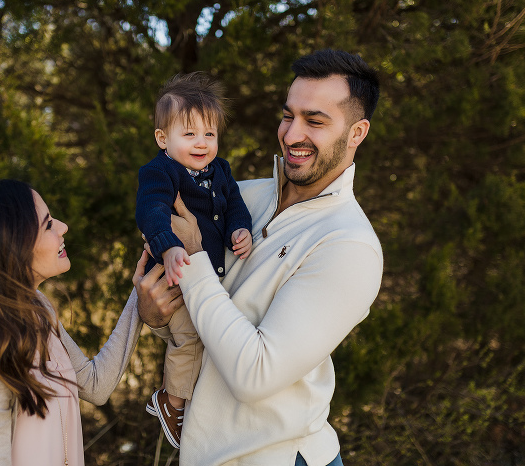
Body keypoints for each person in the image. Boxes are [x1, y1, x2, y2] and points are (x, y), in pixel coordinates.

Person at [136, 49, 384, 466]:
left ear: (357, 132)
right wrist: (157, 317)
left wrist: (195, 258)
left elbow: (255, 376)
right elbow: (202, 326)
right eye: (289, 116)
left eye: (315, 121)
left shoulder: (348, 245)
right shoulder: (242, 196)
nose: (291, 134)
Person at [0, 179, 179, 466]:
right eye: (47, 225)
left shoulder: (36, 309)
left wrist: (142, 294)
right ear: (10, 246)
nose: (62, 227)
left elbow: (95, 385)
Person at [135, 72, 253, 448]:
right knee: (190, 338)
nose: (201, 143)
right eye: (189, 135)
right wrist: (169, 244)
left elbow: (234, 202)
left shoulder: (221, 170)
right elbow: (151, 210)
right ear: (162, 139)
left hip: (203, 279)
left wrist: (240, 229)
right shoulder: (159, 171)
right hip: (174, 271)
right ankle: (171, 402)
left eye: (209, 134)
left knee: (200, 337)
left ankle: (184, 398)